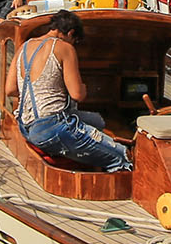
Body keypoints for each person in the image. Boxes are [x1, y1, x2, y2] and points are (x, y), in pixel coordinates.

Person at [10, 10, 130, 172]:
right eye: (75, 41)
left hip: (27, 128)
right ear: (71, 33)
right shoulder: (64, 48)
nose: (73, 45)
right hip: (54, 128)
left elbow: (10, 89)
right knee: (124, 157)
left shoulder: (24, 47)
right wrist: (83, 87)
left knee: (98, 121)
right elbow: (77, 95)